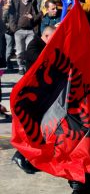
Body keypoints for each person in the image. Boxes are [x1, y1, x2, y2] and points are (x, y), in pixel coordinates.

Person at [12, 25, 56, 173]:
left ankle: (31, 157)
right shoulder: (34, 45)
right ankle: (20, 155)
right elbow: (41, 61)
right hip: (29, 97)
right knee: (30, 129)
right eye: (54, 38)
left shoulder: (42, 45)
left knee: (39, 129)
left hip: (39, 95)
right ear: (47, 36)